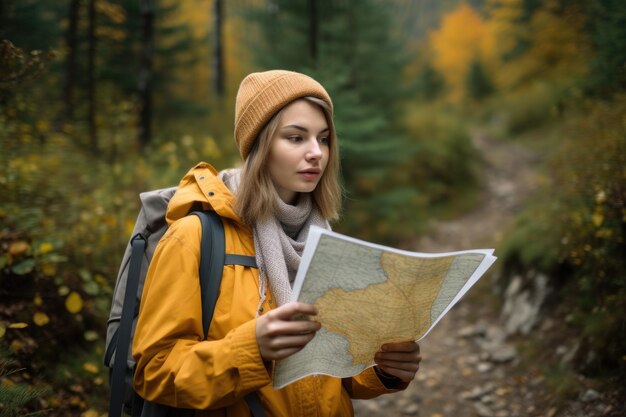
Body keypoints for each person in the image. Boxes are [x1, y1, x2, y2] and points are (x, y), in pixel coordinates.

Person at [132, 70, 422, 416]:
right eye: (296, 138)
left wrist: (383, 369)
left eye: (324, 139)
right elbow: (155, 372)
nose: (316, 152)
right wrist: (250, 349)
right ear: (260, 145)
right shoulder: (193, 237)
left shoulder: (324, 241)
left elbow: (332, 372)